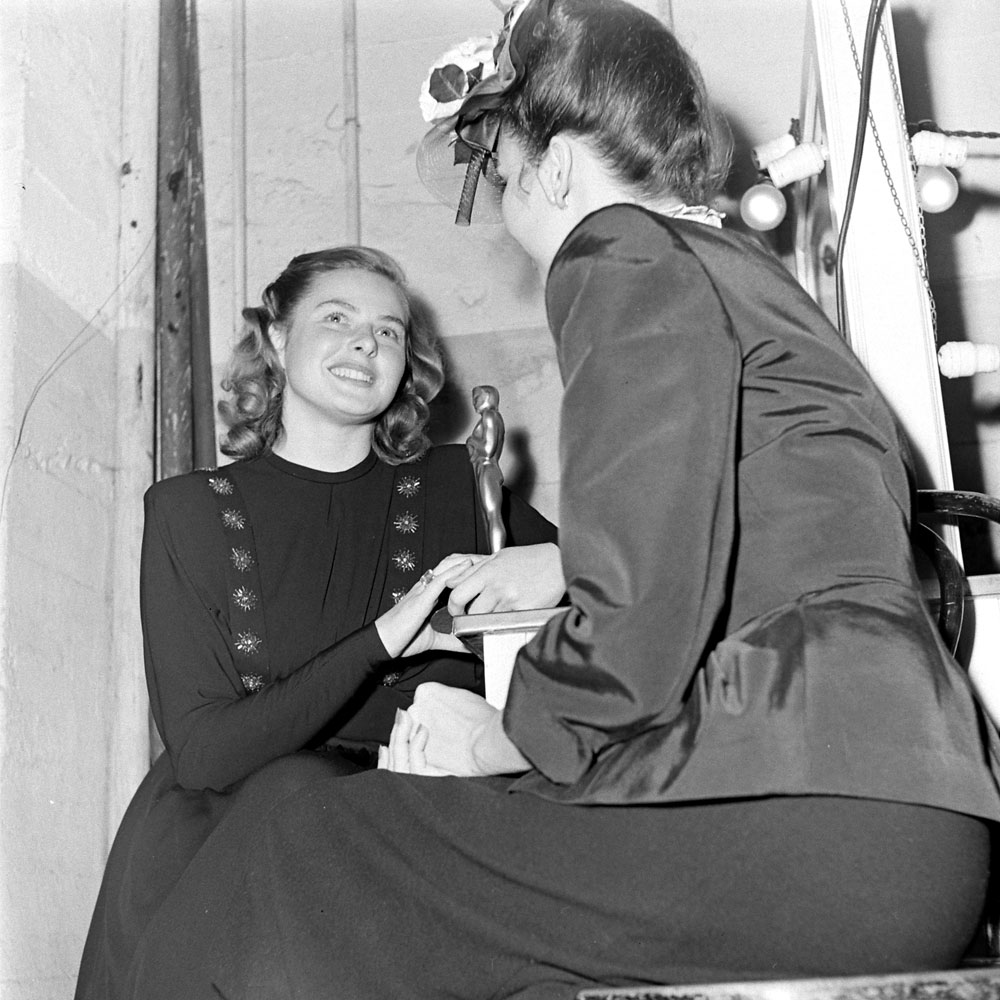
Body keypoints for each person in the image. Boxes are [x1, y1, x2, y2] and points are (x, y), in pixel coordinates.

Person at [125, 4, 1000, 998]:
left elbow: (638, 618)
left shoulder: (620, 256)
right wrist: (558, 560)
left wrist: (497, 735)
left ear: (557, 166)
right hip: (909, 825)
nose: (503, 202)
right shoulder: (744, 275)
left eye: (500, 173)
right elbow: (762, 520)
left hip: (791, 813)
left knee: (294, 842)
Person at [73, 245, 561, 1000]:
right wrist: (381, 641)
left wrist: (563, 562)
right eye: (337, 318)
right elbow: (202, 752)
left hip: (419, 832)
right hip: (230, 849)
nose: (366, 343)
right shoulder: (188, 512)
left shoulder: (460, 486)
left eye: (389, 331)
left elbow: (627, 593)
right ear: (275, 338)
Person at [466, 384, 507, 553]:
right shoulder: (493, 417)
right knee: (489, 516)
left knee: (492, 515)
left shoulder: (490, 416)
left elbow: (488, 449)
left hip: (487, 468)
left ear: (488, 396)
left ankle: (497, 557)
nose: (474, 402)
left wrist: (470, 442)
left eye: (477, 398)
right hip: (485, 469)